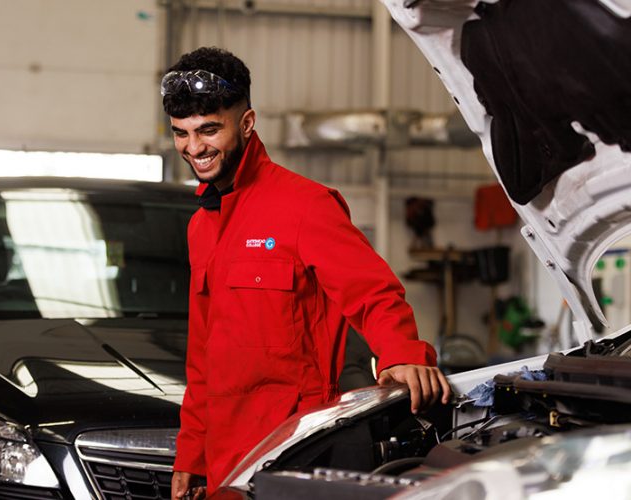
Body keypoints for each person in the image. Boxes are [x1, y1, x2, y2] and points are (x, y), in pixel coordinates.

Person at [162, 47, 452, 499]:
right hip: (224, 458)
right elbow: (202, 356)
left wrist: (401, 353)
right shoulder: (201, 225)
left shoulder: (305, 205)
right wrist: (192, 454)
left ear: (247, 123)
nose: (194, 148)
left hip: (294, 450)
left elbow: (371, 291)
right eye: (181, 134)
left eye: (208, 130)